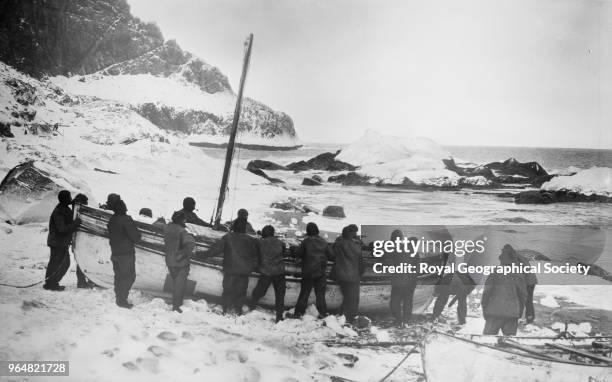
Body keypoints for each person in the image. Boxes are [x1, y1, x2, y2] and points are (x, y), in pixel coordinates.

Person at [206, 217, 257, 314]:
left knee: (227, 290)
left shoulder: (227, 237)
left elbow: (215, 250)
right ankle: (238, 310)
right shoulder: (251, 240)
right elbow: (255, 256)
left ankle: (225, 309)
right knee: (241, 292)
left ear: (233, 227)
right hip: (244, 271)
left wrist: (203, 254)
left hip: (230, 269)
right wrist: (252, 266)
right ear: (244, 229)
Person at [482, 245, 527, 335]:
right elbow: (523, 296)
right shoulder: (519, 274)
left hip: (494, 312)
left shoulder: (495, 272)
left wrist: (485, 310)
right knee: (509, 344)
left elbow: (486, 292)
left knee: (486, 341)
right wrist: (518, 312)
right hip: (512, 314)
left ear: (501, 259)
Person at [294, 222, 334, 318]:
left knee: (304, 293)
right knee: (320, 295)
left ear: (307, 231)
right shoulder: (324, 242)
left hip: (308, 272)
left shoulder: (305, 241)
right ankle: (323, 313)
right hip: (320, 272)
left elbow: (297, 253)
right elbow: (332, 256)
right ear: (317, 231)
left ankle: (298, 313)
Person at [43, 190, 82, 291]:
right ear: (65, 199)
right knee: (58, 263)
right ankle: (50, 284)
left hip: (60, 242)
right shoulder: (59, 212)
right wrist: (75, 224)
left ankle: (51, 283)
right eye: (69, 198)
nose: (70, 199)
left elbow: (69, 218)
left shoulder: (63, 208)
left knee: (58, 263)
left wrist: (74, 203)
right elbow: (62, 229)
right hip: (57, 242)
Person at [107, 200, 141, 308]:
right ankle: (122, 300)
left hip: (115, 253)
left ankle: (119, 297)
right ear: (124, 208)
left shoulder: (112, 219)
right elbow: (136, 237)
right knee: (129, 277)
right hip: (126, 254)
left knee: (119, 277)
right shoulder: (126, 219)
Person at [250, 225, 286, 322]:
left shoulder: (259, 242)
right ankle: (279, 316)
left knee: (259, 291)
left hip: (267, 271)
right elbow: (283, 250)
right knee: (280, 295)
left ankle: (252, 305)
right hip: (279, 272)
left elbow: (255, 253)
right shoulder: (281, 243)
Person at [385, 231, 420, 327]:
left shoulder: (396, 249)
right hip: (409, 282)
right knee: (407, 302)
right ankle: (405, 321)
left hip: (399, 282)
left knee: (395, 303)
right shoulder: (412, 251)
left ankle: (400, 320)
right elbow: (417, 268)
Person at [432, 250, 476, 325]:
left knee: (444, 298)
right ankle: (461, 321)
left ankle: (436, 316)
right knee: (460, 300)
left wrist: (436, 291)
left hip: (454, 286)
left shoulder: (450, 274)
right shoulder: (459, 273)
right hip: (456, 285)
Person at [163, 211, 195, 313]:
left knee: (175, 283)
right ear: (181, 220)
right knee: (179, 286)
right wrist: (183, 254)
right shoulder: (182, 231)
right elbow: (190, 245)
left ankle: (175, 304)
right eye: (184, 219)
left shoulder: (167, 227)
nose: (185, 221)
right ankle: (176, 307)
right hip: (180, 263)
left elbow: (159, 225)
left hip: (169, 261)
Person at [332, 224, 363, 323]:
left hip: (341, 276)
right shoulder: (357, 247)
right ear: (352, 234)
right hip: (353, 277)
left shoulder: (338, 244)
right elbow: (362, 265)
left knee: (346, 297)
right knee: (353, 299)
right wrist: (359, 274)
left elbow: (331, 254)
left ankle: (342, 316)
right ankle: (350, 318)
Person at [71, 193, 93, 288]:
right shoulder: (77, 213)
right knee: (82, 261)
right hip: (79, 241)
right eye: (85, 203)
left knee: (82, 261)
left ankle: (82, 281)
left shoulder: (74, 212)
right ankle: (81, 282)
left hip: (79, 241)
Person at [518, 254, 537, 323]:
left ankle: (529, 318)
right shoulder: (520, 257)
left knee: (526, 300)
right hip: (531, 281)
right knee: (527, 300)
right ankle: (529, 318)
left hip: (528, 282)